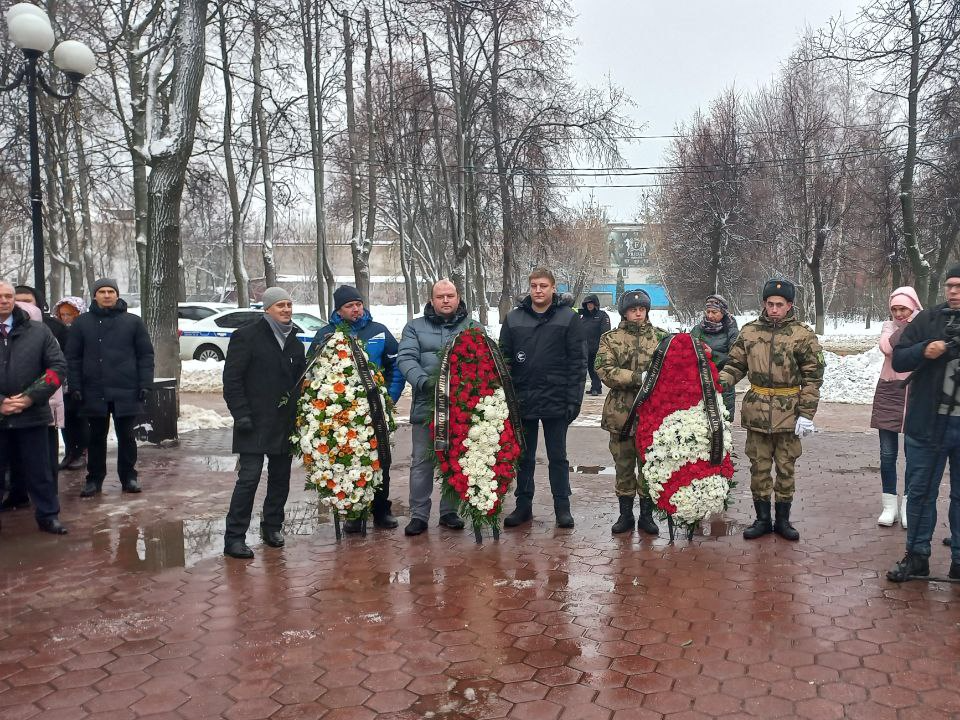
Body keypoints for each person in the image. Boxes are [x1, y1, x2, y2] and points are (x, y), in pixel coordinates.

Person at [718, 279, 824, 542]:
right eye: (770, 304)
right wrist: (716, 383)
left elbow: (813, 377)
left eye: (780, 304)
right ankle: (762, 519)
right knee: (759, 467)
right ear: (764, 304)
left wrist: (806, 414)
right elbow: (734, 366)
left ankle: (784, 520)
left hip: (789, 412)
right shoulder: (750, 332)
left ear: (790, 306)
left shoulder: (803, 335)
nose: (774, 309)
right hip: (757, 412)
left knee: (786, 467)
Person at [310, 285, 405, 532]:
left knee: (380, 459)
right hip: (342, 415)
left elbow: (396, 367)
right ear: (338, 311)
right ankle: (354, 513)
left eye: (358, 304)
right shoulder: (325, 335)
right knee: (350, 461)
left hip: (376, 410)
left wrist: (389, 398)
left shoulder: (379, 332)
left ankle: (381, 510)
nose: (356, 309)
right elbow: (312, 373)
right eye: (349, 306)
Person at [886, 268, 960, 582]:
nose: (954, 291)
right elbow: (899, 358)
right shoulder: (927, 320)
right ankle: (917, 555)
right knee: (919, 493)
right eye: (950, 286)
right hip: (926, 423)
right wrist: (925, 350)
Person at [222, 287, 307, 559]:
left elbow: (298, 383)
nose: (286, 310)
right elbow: (232, 381)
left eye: (289, 305)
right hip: (253, 422)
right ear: (267, 309)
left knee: (280, 478)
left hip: (283, 423)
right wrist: (241, 415)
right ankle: (234, 537)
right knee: (248, 479)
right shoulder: (246, 337)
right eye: (280, 305)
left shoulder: (295, 340)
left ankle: (272, 527)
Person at [500, 267, 587, 529]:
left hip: (556, 399)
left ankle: (562, 507)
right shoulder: (513, 318)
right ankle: (523, 506)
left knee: (557, 457)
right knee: (524, 457)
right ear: (529, 288)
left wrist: (574, 399)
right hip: (522, 399)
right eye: (534, 285)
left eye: (544, 286)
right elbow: (503, 360)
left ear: (553, 288)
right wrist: (506, 398)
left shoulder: (568, 318)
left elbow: (578, 361)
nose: (538, 290)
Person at [397, 279, 479, 536]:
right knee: (421, 462)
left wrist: (467, 387)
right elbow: (406, 358)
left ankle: (449, 511)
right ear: (431, 300)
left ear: (458, 298)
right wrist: (425, 383)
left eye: (450, 295)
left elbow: (483, 361)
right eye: (440, 296)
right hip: (426, 406)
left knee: (454, 460)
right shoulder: (414, 327)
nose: (445, 300)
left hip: (460, 409)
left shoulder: (473, 327)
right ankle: (419, 515)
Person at [67, 278, 155, 497]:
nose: (107, 295)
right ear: (95, 295)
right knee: (96, 436)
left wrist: (145, 383)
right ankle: (94, 479)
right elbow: (73, 357)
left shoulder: (133, 322)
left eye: (111, 291)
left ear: (117, 295)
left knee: (126, 435)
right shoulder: (82, 323)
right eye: (102, 291)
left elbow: (145, 355)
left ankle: (129, 477)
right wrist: (75, 385)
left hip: (126, 388)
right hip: (93, 389)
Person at [0, 280, 69, 534]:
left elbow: (57, 368)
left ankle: (48, 516)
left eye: (9, 296)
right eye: (0, 296)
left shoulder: (39, 332)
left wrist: (29, 397)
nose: (5, 300)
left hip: (33, 414)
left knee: (40, 470)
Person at [596, 289, 667, 534]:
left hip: (651, 414)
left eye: (642, 309)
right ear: (624, 312)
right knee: (623, 466)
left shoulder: (661, 338)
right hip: (621, 412)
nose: (638, 313)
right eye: (632, 309)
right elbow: (605, 370)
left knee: (649, 466)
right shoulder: (611, 338)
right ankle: (625, 515)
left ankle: (647, 516)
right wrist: (638, 377)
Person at [871, 287, 922, 528]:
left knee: (913, 455)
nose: (899, 313)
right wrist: (910, 326)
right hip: (890, 392)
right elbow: (888, 348)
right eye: (895, 309)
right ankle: (889, 506)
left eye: (904, 308)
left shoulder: (925, 324)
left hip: (916, 393)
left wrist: (919, 325)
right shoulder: (888, 326)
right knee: (887, 454)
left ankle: (908, 506)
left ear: (913, 306)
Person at [53, 296, 89, 471]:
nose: (65, 318)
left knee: (79, 417)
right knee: (64, 417)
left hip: (80, 380)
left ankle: (82, 451)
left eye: (69, 314)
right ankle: (70, 451)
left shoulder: (83, 330)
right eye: (62, 315)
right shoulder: (58, 330)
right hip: (62, 381)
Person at [690, 294, 740, 420]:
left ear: (723, 312)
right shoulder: (698, 330)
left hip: (723, 384)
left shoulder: (731, 330)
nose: (710, 315)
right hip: (700, 384)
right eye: (708, 311)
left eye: (714, 312)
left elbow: (736, 359)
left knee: (723, 424)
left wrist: (713, 355)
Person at [15, 285, 68, 350]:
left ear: (37, 303)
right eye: (17, 301)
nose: (21, 304)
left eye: (27, 301)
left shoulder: (55, 326)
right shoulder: (4, 325)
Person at [579, 293, 611, 396]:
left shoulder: (602, 315)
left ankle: (596, 388)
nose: (589, 305)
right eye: (587, 304)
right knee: (590, 368)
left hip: (598, 347)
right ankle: (596, 387)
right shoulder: (583, 317)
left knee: (596, 369)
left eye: (591, 303)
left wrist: (603, 346)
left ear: (595, 304)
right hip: (586, 348)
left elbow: (606, 331)